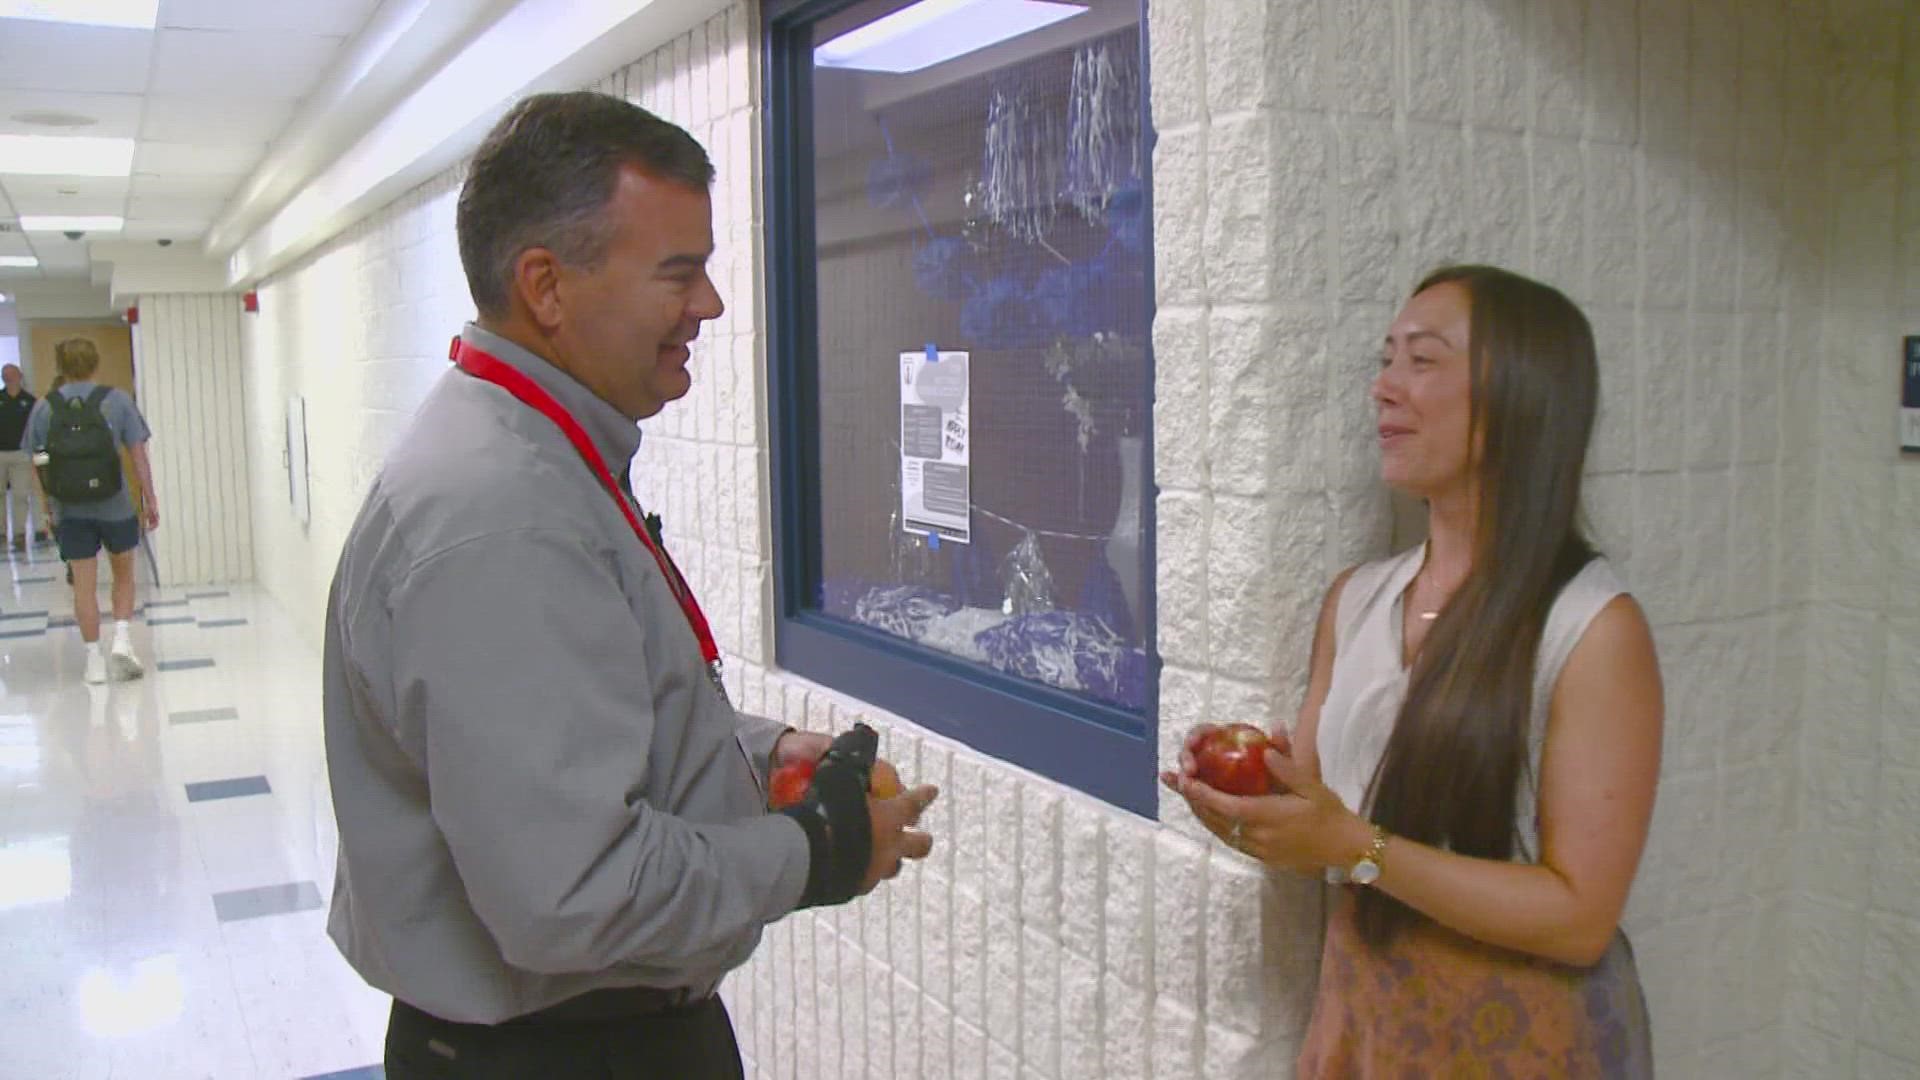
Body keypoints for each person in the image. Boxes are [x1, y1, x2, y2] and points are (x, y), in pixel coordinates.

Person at [323, 91, 939, 1080]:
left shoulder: (535, 459)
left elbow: (592, 717)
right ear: (548, 287)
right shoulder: (502, 519)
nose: (711, 307)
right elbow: (573, 893)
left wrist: (759, 753)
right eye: (678, 274)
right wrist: (818, 848)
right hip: (556, 1055)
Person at [1165, 265, 1661, 1076]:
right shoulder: (1355, 600)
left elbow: (1581, 917)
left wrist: (1359, 846)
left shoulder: (1594, 629)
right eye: (1385, 358)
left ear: (1521, 395)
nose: (1383, 388)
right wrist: (1253, 797)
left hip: (1530, 1041)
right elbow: (1326, 820)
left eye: (1422, 361)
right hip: (1371, 1018)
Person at [29, 340, 159, 684]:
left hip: (69, 511)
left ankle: (93, 662)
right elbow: (138, 456)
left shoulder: (45, 408)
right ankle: (121, 641)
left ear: (60, 365)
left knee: (83, 587)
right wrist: (149, 498)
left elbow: (38, 461)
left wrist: (47, 507)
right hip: (115, 505)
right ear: (95, 363)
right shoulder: (116, 401)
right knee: (124, 576)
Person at [0, 362, 43, 551]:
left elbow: (36, 429)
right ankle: (1, 533)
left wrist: (40, 457)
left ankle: (19, 534)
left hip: (21, 455)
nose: (9, 378)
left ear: (20, 376)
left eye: (12, 374)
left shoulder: (30, 401)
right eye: (5, 375)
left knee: (20, 495)